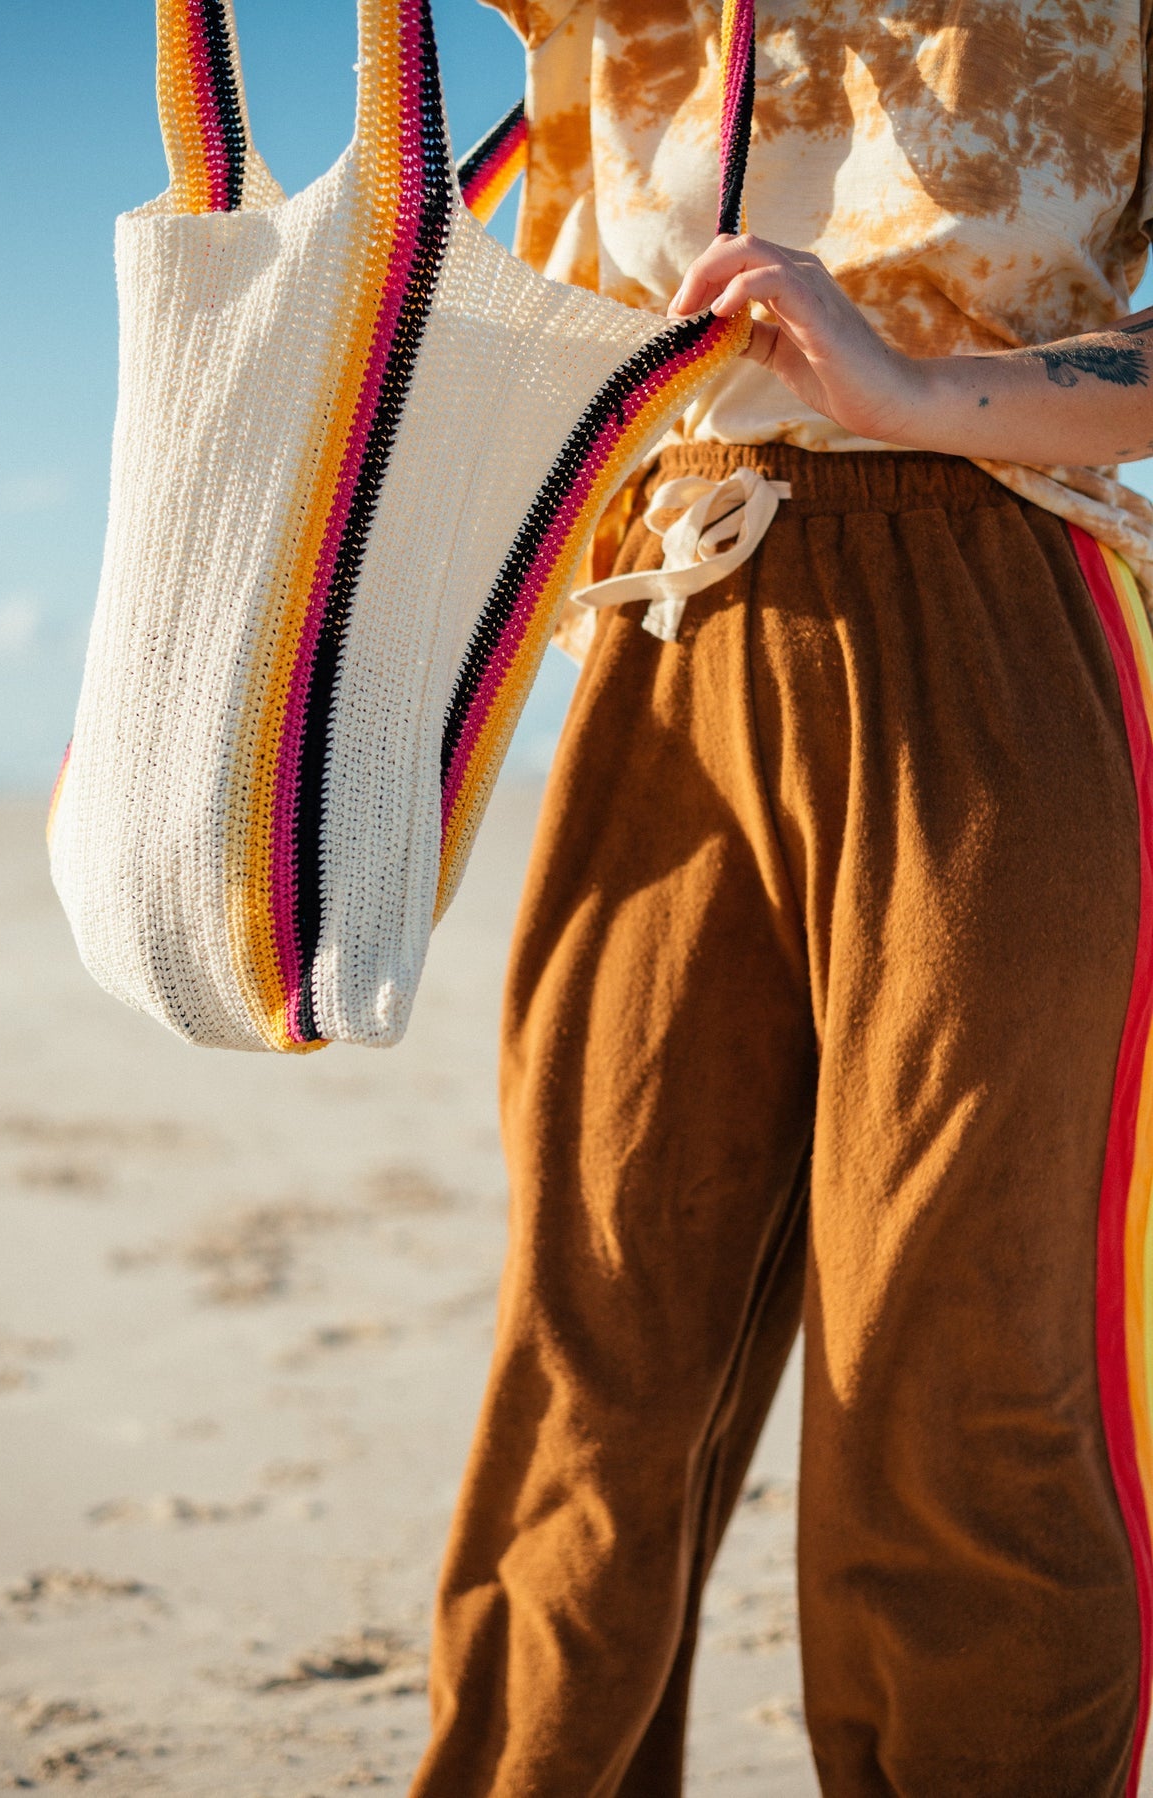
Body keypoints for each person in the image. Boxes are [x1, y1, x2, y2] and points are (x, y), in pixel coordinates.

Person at [411, 3, 1153, 1792]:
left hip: (988, 597)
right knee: (592, 1358)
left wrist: (913, 389)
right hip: (662, 622)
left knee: (953, 1362)